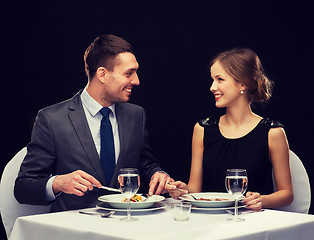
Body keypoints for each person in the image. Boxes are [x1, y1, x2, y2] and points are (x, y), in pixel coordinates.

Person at [14, 34, 172, 212]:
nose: (136, 81)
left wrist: (158, 175)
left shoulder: (136, 115)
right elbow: (23, 188)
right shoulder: (51, 119)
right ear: (102, 74)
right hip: (73, 230)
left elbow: (146, 165)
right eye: (129, 73)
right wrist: (57, 183)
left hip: (126, 225)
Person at [167, 48, 293, 211]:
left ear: (243, 83)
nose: (212, 87)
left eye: (220, 79)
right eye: (213, 80)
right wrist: (182, 190)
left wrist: (260, 200)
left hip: (254, 222)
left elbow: (287, 194)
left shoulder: (272, 132)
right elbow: (195, 189)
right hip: (211, 220)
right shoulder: (202, 129)